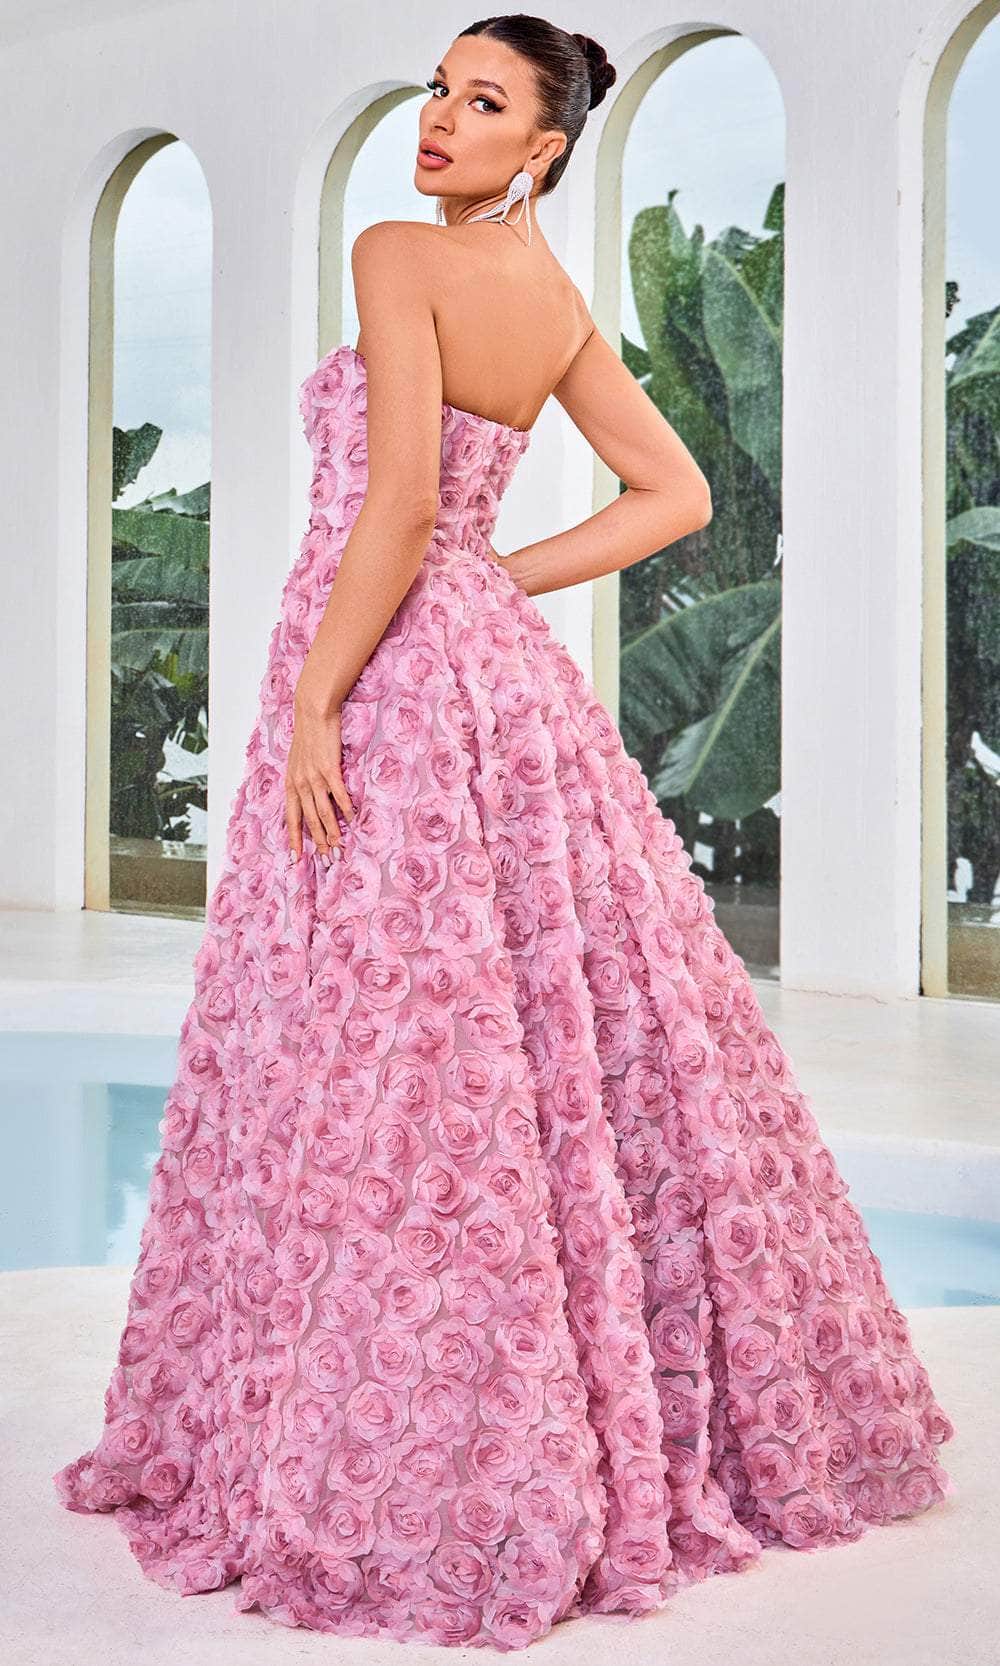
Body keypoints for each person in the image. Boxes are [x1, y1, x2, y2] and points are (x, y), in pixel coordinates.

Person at [53, 16, 956, 1654]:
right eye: (438, 90)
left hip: (391, 677)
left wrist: (319, 695)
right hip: (485, 674)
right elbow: (673, 492)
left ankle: (378, 1432)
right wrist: (495, 581)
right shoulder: (550, 299)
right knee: (508, 1024)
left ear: (542, 145)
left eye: (483, 103)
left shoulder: (398, 254)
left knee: (377, 1035)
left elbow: (402, 500)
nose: (440, 121)